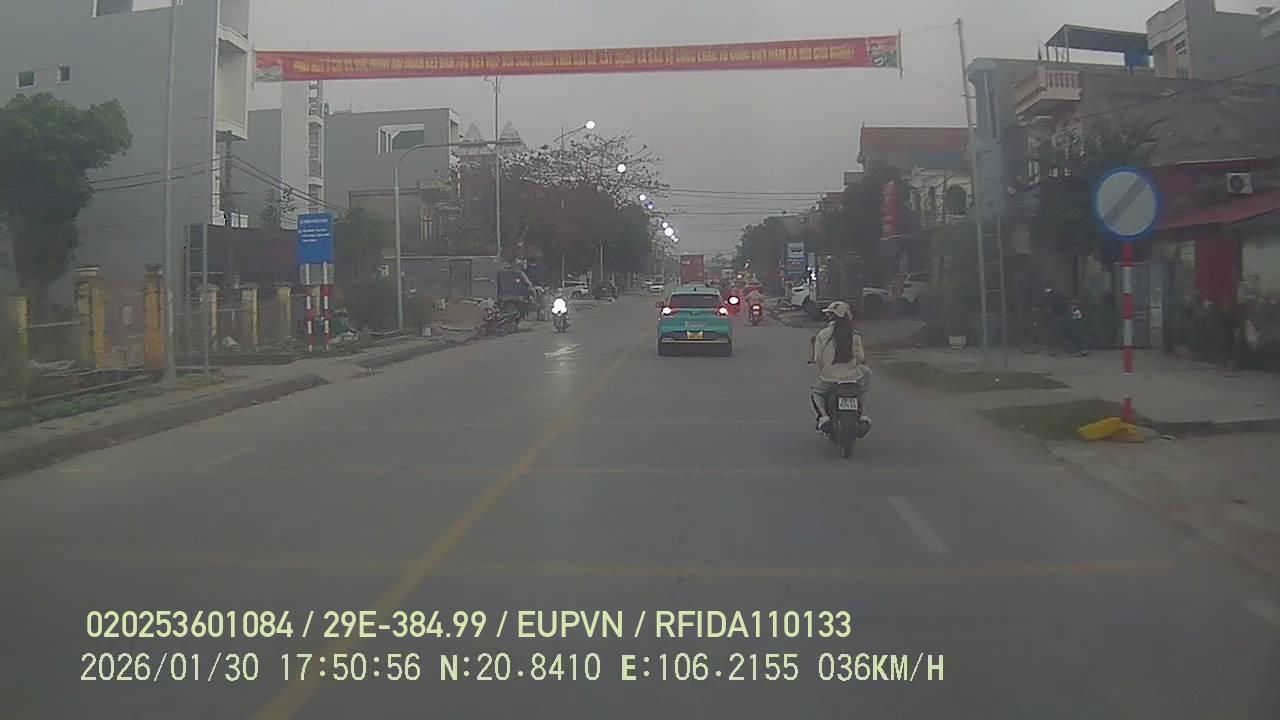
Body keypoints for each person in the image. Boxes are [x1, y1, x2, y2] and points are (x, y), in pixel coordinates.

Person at [808, 301, 872, 434]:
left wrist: (823, 368)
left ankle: (824, 417)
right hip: (853, 378)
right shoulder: (854, 335)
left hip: (829, 378)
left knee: (816, 393)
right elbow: (860, 357)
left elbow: (818, 358)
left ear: (831, 317)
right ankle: (863, 416)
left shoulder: (823, 334)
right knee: (863, 390)